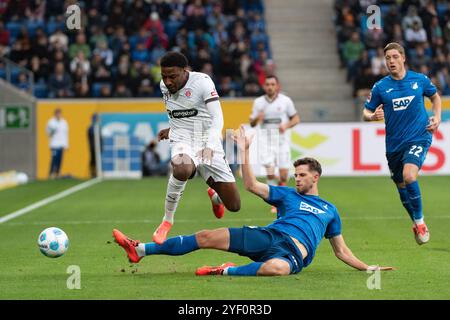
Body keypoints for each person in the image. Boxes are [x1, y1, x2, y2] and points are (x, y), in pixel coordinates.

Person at [112, 126, 393, 276]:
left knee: (278, 269)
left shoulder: (330, 210)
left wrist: (367, 267)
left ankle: (225, 272)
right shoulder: (287, 195)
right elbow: (250, 185)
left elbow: (341, 251)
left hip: (291, 256)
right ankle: (141, 250)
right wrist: (245, 151)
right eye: (295, 174)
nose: (297, 179)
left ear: (316, 177)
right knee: (207, 236)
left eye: (302, 175)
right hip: (269, 237)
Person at [150, 51, 241, 244]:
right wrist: (171, 129)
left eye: (172, 76)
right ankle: (167, 221)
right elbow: (178, 113)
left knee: (234, 205)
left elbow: (218, 117)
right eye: (164, 76)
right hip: (183, 140)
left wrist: (209, 146)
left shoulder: (203, 82)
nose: (167, 81)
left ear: (185, 71)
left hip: (208, 141)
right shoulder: (163, 86)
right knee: (182, 168)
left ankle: (215, 197)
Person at [363, 42, 442, 245]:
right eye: (388, 58)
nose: (391, 61)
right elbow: (366, 111)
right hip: (394, 145)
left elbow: (435, 97)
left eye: (395, 57)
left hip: (419, 137)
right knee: (400, 185)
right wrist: (372, 117)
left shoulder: (419, 80)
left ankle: (421, 222)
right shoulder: (381, 87)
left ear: (403, 58)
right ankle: (416, 221)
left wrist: (437, 117)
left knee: (409, 176)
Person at [249, 75, 300, 213]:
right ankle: (275, 202)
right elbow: (252, 123)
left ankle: (280, 190)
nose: (270, 87)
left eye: (272, 84)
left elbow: (296, 118)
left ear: (277, 86)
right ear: (264, 86)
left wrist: (287, 125)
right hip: (266, 140)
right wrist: (257, 119)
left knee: (283, 176)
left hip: (282, 141)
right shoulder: (258, 102)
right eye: (267, 84)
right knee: (270, 173)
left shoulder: (286, 101)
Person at [46, 108, 69, 179]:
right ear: (55, 114)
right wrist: (52, 131)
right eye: (57, 113)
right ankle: (51, 173)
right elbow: (48, 133)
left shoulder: (64, 122)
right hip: (54, 144)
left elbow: (66, 134)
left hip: (61, 144)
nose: (58, 115)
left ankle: (57, 173)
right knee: (54, 159)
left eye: (59, 113)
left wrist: (66, 144)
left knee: (59, 160)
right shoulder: (51, 122)